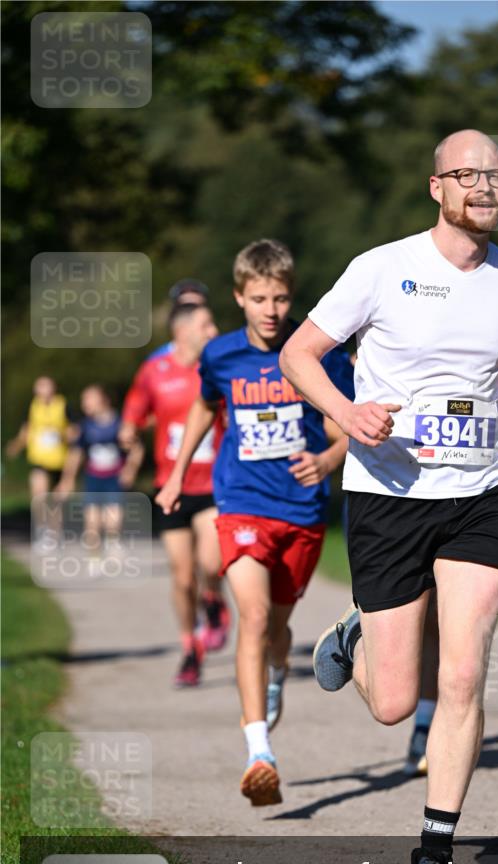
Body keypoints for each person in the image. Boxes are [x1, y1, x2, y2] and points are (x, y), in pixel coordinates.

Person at [280, 130, 498, 864]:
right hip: (388, 493)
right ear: (436, 187)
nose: (484, 187)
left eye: (494, 176)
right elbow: (298, 354)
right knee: (390, 703)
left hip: (482, 490)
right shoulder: (382, 268)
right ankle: (357, 630)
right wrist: (348, 415)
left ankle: (434, 851)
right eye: (467, 175)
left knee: (462, 673)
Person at [156, 239, 354, 807]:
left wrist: (326, 460)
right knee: (255, 614)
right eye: (259, 298)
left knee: (278, 631)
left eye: (282, 298)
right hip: (241, 501)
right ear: (239, 296)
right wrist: (173, 475)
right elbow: (204, 405)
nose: (271, 309)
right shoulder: (220, 356)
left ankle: (274, 676)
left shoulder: (319, 353)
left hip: (302, 510)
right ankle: (258, 752)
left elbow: (351, 425)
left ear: (293, 296)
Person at [120, 302, 230, 687]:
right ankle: (190, 646)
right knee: (182, 579)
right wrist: (128, 430)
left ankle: (214, 599)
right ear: (183, 332)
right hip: (172, 488)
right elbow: (134, 409)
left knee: (211, 561)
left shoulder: (216, 369)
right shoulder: (155, 370)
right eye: (206, 324)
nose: (214, 330)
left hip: (213, 484)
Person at [57, 384, 144, 565]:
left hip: (114, 478)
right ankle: (94, 557)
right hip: (93, 479)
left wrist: (130, 469)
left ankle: (113, 545)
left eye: (88, 398)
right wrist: (67, 480)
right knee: (92, 522)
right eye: (83, 400)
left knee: (112, 520)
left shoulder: (120, 423)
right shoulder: (85, 426)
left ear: (103, 399)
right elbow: (76, 455)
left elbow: (137, 449)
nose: (84, 403)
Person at [5, 376, 75, 546]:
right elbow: (26, 429)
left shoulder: (63, 405)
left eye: (46, 386)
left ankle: (55, 533)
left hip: (60, 459)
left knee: (57, 499)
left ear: (54, 388)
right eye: (39, 387)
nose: (42, 390)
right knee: (39, 494)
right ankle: (42, 530)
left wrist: (63, 436)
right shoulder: (32, 406)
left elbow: (74, 432)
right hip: (39, 458)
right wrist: (16, 445)